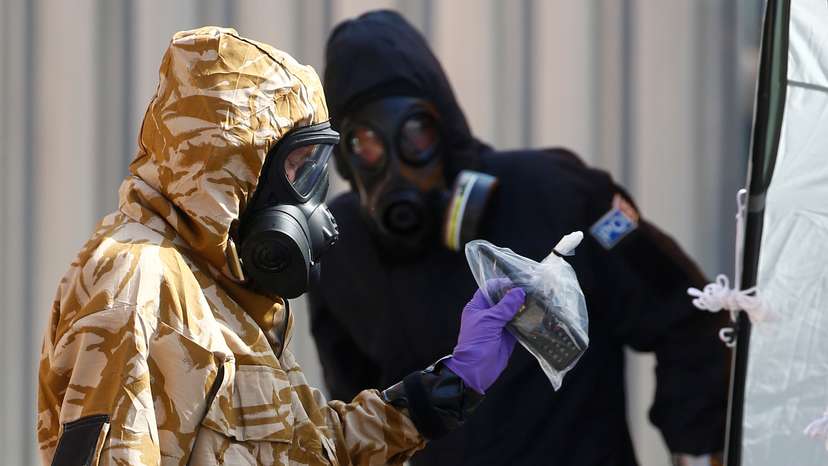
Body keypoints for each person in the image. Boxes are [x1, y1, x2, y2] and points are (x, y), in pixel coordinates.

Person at [36, 26, 525, 466]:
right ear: (230, 166)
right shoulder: (137, 282)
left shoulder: (224, 293)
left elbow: (317, 448)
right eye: (297, 167)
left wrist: (451, 385)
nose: (312, 199)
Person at [309, 10, 729, 466]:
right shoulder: (339, 248)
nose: (394, 165)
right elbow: (357, 425)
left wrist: (696, 446)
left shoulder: (559, 195)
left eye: (415, 134)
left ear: (445, 129)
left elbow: (687, 316)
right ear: (344, 158)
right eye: (365, 143)